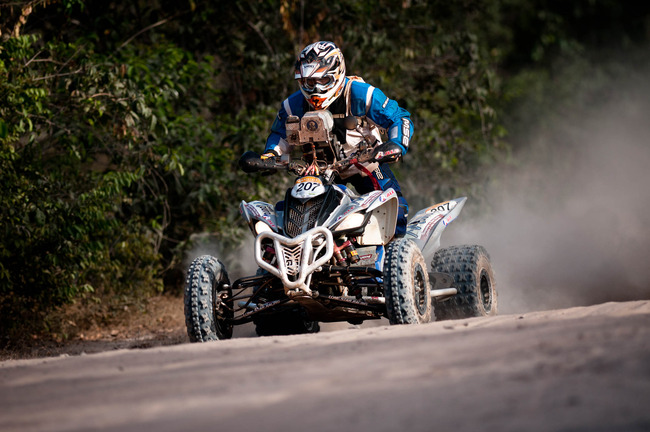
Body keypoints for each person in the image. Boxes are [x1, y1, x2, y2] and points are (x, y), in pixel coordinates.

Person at [262, 41, 413, 236]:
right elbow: (279, 135)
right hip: (319, 171)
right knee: (294, 216)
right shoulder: (293, 104)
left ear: (336, 73)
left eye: (322, 80)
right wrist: (270, 155)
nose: (315, 88)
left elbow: (398, 118)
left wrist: (396, 143)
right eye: (309, 82)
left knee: (396, 210)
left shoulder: (361, 93)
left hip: (365, 164)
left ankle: (399, 256)